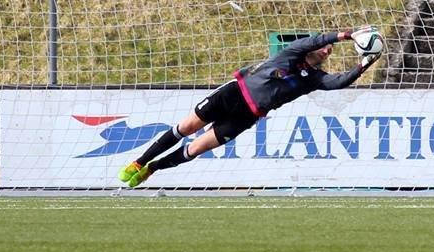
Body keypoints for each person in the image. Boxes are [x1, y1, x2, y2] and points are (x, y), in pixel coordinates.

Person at [118, 28, 382, 187]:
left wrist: (365, 63)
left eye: (329, 52)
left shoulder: (312, 79)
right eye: (325, 48)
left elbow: (338, 82)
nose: (325, 51)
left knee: (197, 147)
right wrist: (349, 35)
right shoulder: (292, 52)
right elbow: (315, 39)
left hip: (247, 116)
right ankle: (138, 161)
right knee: (186, 127)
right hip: (233, 94)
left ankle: (152, 169)